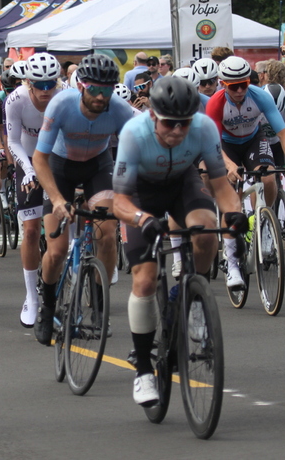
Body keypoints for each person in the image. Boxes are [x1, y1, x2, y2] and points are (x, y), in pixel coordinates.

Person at [112, 76, 246, 406]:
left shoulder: (203, 128)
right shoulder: (133, 133)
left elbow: (220, 184)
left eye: (184, 124)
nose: (177, 131)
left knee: (206, 228)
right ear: (154, 116)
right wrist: (142, 220)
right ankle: (144, 370)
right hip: (141, 195)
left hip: (181, 184)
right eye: (170, 123)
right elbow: (119, 201)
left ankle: (191, 294)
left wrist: (235, 214)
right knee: (143, 280)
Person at [31, 53, 133, 345]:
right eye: (95, 90)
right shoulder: (60, 105)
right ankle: (47, 306)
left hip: (97, 167)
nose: (102, 97)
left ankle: (100, 307)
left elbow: (138, 148)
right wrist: (57, 199)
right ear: (81, 87)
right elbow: (40, 159)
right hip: (60, 168)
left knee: (108, 232)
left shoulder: (119, 109)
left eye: (108, 90)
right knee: (57, 249)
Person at [205, 56, 285, 289]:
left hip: (253, 141)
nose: (238, 91)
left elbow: (284, 133)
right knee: (230, 202)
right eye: (232, 86)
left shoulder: (260, 96)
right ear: (222, 84)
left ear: (249, 82)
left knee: (267, 177)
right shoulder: (215, 103)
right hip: (224, 146)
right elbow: (212, 145)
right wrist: (228, 166)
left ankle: (264, 224)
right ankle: (233, 264)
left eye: (243, 85)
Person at [5, 52, 61, 327]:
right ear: (28, 82)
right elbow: (12, 141)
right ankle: (32, 296)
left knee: (62, 230)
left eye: (51, 84)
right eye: (39, 84)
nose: (46, 91)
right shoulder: (16, 100)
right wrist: (27, 170)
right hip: (28, 160)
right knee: (30, 229)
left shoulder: (66, 96)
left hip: (58, 160)